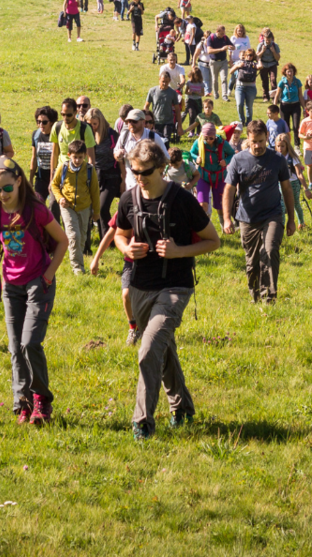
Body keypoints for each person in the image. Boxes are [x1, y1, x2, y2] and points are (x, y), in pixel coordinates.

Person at [114, 139, 221, 438]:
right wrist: (127, 247)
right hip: (139, 287)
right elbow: (119, 235)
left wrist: (179, 251)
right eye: (133, 170)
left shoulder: (183, 200)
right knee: (163, 348)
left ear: (161, 168)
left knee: (148, 349)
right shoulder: (129, 199)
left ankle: (142, 423)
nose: (139, 176)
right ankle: (183, 408)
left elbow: (213, 240)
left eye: (145, 171)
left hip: (175, 287)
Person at [0, 158, 66, 425]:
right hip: (10, 286)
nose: (2, 195)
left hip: (37, 283)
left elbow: (63, 240)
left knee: (29, 343)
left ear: (19, 181)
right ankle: (23, 402)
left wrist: (48, 275)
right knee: (15, 349)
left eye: (7, 189)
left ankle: (41, 399)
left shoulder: (36, 210)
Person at [222, 120, 300, 303]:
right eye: (253, 141)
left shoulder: (277, 159)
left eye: (261, 141)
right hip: (247, 218)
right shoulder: (238, 159)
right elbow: (229, 190)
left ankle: (269, 298)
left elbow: (287, 189)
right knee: (252, 262)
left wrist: (290, 219)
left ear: (267, 138)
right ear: (248, 139)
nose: (257, 146)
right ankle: (255, 296)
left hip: (272, 214)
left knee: (270, 250)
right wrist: (226, 219)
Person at [50, 138, 99, 273]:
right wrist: (60, 199)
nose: (77, 160)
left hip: (84, 207)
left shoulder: (89, 170)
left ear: (85, 156)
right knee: (73, 236)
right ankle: (78, 268)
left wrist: (96, 212)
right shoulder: (63, 167)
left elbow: (95, 192)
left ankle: (78, 258)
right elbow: (54, 185)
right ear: (69, 155)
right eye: (75, 157)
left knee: (82, 237)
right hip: (67, 207)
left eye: (80, 157)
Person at [185, 118, 230, 223]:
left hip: (220, 177)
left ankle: (223, 225)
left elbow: (232, 154)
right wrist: (196, 158)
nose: (209, 140)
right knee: (202, 204)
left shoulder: (222, 143)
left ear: (215, 136)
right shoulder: (198, 142)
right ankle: (204, 227)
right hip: (203, 176)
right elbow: (190, 153)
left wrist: (226, 161)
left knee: (220, 205)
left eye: (211, 138)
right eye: (206, 138)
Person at [29, 106, 58, 201]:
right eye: (38, 121)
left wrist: (52, 179)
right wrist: (30, 179)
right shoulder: (36, 135)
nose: (41, 124)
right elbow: (34, 158)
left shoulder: (57, 135)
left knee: (53, 207)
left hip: (56, 176)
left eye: (44, 122)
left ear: (51, 122)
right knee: (37, 204)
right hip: (41, 177)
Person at [231, 44, 259, 128]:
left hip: (251, 88)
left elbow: (261, 66)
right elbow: (230, 71)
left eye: (251, 55)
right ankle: (242, 120)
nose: (249, 57)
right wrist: (237, 66)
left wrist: (257, 58)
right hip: (240, 87)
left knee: (249, 106)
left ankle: (249, 122)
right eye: (247, 55)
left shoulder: (254, 64)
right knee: (239, 104)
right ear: (245, 55)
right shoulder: (240, 62)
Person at [145, 74, 180, 140]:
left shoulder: (172, 93)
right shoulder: (152, 91)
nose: (164, 83)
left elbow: (177, 109)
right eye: (163, 81)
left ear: (169, 81)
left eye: (166, 81)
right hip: (156, 121)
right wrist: (146, 121)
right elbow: (146, 106)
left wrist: (179, 126)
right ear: (159, 80)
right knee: (156, 140)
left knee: (166, 140)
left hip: (168, 122)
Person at [256, 29, 281, 102]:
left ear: (272, 39)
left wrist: (273, 51)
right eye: (266, 40)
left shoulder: (275, 45)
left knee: (273, 80)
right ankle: (265, 96)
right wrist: (262, 51)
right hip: (263, 65)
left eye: (269, 40)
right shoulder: (260, 45)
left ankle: (274, 97)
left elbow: (278, 58)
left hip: (272, 64)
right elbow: (257, 57)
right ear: (264, 38)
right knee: (264, 80)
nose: (268, 41)